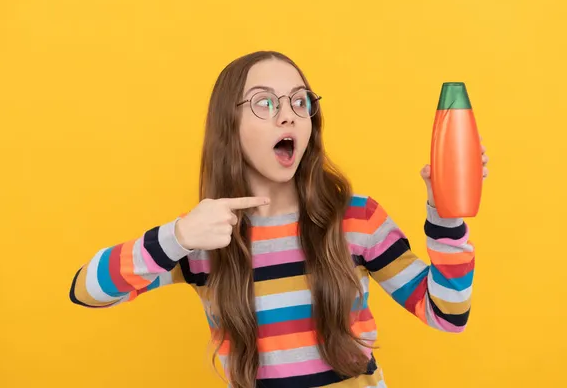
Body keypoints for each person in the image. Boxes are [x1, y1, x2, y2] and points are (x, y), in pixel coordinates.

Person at [69, 51, 489, 388]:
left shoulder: (355, 219)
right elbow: (87, 289)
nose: (286, 114)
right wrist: (177, 237)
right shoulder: (205, 237)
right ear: (229, 127)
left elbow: (447, 315)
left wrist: (445, 217)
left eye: (299, 101)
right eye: (264, 102)